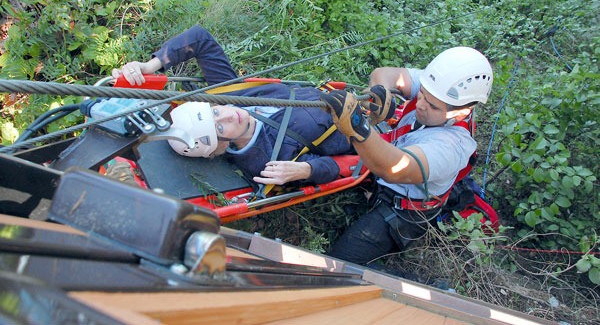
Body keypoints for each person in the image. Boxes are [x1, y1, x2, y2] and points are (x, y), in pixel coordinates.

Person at [112, 25, 387, 187]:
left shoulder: (228, 95)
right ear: (219, 147)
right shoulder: (265, 159)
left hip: (339, 97)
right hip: (361, 134)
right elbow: (331, 166)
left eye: (216, 112)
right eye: (220, 126)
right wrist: (306, 171)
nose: (230, 114)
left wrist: (150, 66)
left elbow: (199, 38)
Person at [319, 46, 493, 265]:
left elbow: (393, 168)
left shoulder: (451, 147)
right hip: (385, 164)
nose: (420, 105)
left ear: (461, 112)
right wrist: (381, 91)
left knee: (339, 263)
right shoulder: (438, 90)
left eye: (431, 106)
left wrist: (357, 127)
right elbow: (387, 74)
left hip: (402, 211)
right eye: (421, 95)